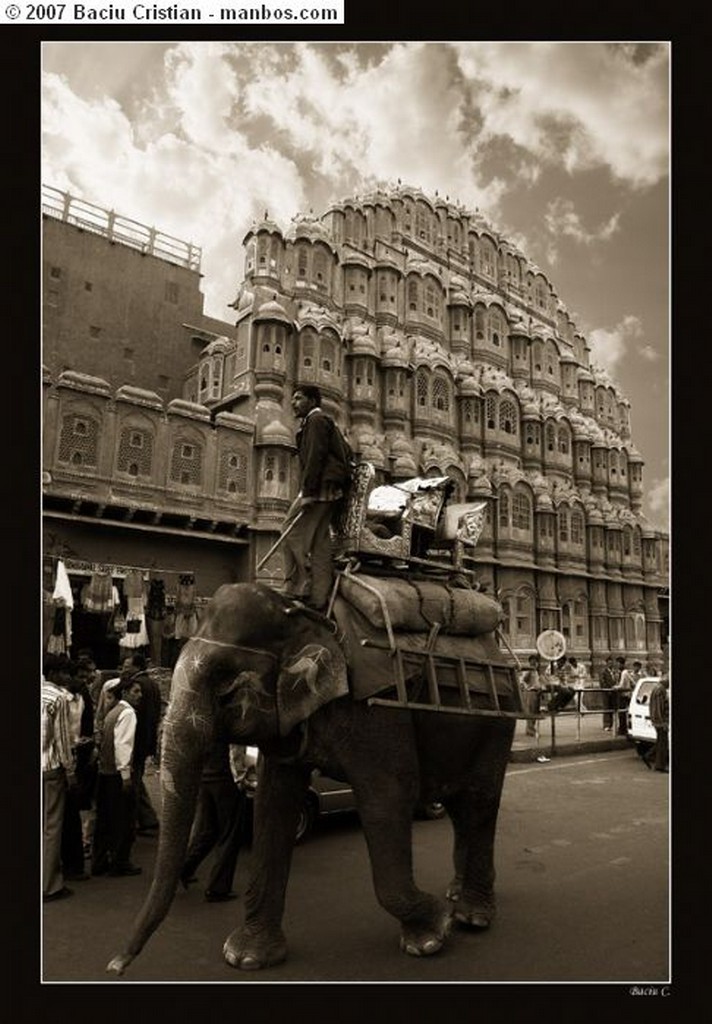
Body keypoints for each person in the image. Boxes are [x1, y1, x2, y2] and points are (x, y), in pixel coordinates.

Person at [282, 385, 353, 611]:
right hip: (329, 489)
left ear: (312, 401)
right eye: (292, 399)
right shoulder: (322, 422)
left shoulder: (316, 420)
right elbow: (346, 453)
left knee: (291, 530)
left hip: (320, 489)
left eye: (299, 398)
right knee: (321, 541)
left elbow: (315, 456)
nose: (293, 403)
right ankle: (319, 597)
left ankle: (300, 583)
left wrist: (308, 492)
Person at [180, 742, 250, 902]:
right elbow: (235, 750)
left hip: (207, 777)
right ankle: (218, 887)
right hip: (225, 779)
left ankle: (184, 867)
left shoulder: (208, 721)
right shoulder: (229, 720)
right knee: (230, 833)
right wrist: (240, 779)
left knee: (209, 830)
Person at [91, 674, 143, 877]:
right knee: (122, 818)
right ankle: (120, 861)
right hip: (115, 773)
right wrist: (125, 775)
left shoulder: (113, 711)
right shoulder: (128, 713)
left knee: (105, 818)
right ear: (125, 693)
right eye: (135, 691)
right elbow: (123, 744)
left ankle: (100, 860)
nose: (139, 695)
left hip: (105, 770)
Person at [42, 655, 77, 902]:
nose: (67, 678)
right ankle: (49, 885)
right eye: (65, 673)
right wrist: (70, 770)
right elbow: (62, 739)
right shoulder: (58, 698)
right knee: (52, 828)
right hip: (51, 768)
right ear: (54, 673)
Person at [644, 673, 669, 772]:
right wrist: (663, 722)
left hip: (657, 719)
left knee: (661, 741)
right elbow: (659, 708)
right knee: (663, 742)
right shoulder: (660, 690)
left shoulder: (658, 688)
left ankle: (648, 756)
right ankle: (660, 765)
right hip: (660, 720)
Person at [614, 658, 642, 736]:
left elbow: (622, 684)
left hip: (625, 694)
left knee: (624, 712)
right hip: (627, 694)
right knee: (624, 712)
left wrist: (616, 687)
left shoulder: (624, 673)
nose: (617, 665)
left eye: (618, 663)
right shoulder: (626, 673)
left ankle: (624, 729)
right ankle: (625, 728)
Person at [520, 654, 543, 738]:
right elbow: (525, 680)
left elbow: (537, 682)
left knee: (535, 712)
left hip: (536, 692)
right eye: (533, 660)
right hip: (530, 692)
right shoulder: (527, 669)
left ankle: (530, 728)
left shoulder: (536, 671)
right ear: (530, 661)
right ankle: (530, 730)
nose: (534, 662)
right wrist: (530, 670)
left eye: (535, 660)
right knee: (530, 712)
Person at [599, 656, 617, 731]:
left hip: (613, 692)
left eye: (611, 663)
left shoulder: (614, 672)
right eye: (609, 663)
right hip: (606, 692)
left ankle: (611, 724)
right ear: (606, 663)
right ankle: (606, 724)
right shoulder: (604, 672)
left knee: (611, 708)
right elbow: (602, 682)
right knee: (606, 708)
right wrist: (607, 689)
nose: (610, 664)